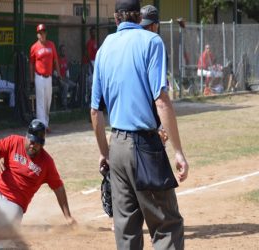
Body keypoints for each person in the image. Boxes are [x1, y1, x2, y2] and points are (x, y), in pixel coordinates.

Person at [90, 0, 189, 249]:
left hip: (117, 148)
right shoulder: (151, 41)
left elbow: (95, 111)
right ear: (139, 18)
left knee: (126, 231)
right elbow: (162, 101)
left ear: (116, 19)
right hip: (144, 147)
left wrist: (104, 153)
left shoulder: (103, 49)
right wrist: (178, 151)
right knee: (167, 225)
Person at [0, 119, 77, 227]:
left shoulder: (47, 162)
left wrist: (68, 216)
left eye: (38, 143)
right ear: (27, 136)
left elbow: (58, 188)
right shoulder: (14, 141)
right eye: (32, 142)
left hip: (14, 202)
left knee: (0, 229)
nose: (34, 146)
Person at [29, 24, 61, 132]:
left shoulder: (51, 45)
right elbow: (31, 64)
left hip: (49, 77)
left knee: (48, 100)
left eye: (43, 32)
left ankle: (46, 122)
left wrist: (59, 74)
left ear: (46, 33)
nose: (42, 34)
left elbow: (56, 60)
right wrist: (32, 79)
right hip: (39, 77)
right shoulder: (34, 47)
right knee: (40, 102)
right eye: (40, 33)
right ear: (37, 35)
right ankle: (42, 126)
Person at [57, 44, 77, 110]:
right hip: (58, 79)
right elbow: (54, 72)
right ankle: (64, 105)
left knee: (75, 86)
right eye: (62, 50)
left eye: (64, 50)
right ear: (59, 51)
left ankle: (72, 102)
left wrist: (68, 76)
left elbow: (67, 70)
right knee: (66, 86)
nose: (64, 52)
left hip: (65, 79)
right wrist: (59, 78)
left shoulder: (65, 59)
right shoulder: (57, 59)